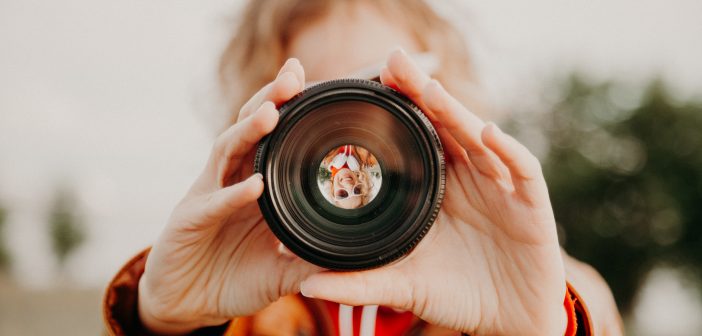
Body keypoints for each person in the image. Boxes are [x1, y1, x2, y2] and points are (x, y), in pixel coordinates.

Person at [103, 0, 624, 335]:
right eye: (318, 105)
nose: (356, 133)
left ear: (446, 100)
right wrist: (165, 323)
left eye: (387, 89)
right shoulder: (242, 313)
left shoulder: (555, 291)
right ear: (260, 135)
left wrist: (542, 330)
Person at [320, 145, 379, 209]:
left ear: (332, 190)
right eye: (357, 191)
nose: (349, 186)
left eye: (342, 194)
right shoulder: (371, 157)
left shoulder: (322, 154)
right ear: (362, 184)